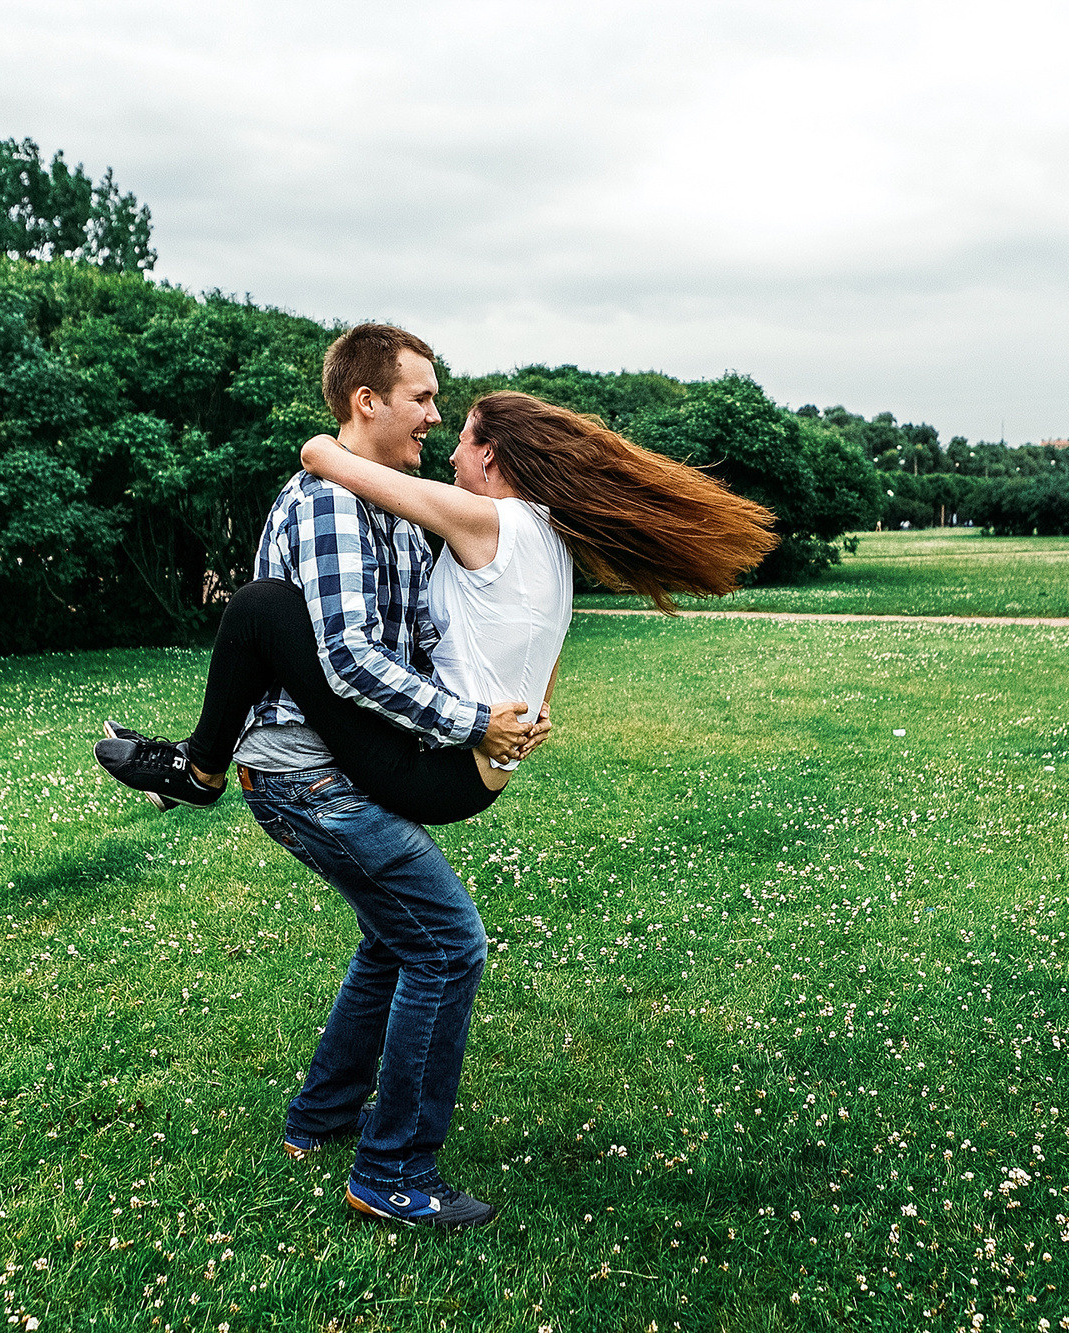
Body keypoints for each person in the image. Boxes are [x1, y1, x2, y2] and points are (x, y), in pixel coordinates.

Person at [97, 324, 775, 1229]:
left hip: (390, 760)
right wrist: (490, 721)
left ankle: (324, 1113)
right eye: (425, 399)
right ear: (367, 402)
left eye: (450, 416)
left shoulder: (429, 516)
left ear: (493, 459)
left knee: (403, 935)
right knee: (443, 941)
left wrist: (500, 720)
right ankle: (390, 1171)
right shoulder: (351, 505)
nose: (439, 419)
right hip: (313, 773)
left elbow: (436, 637)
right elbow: (347, 660)